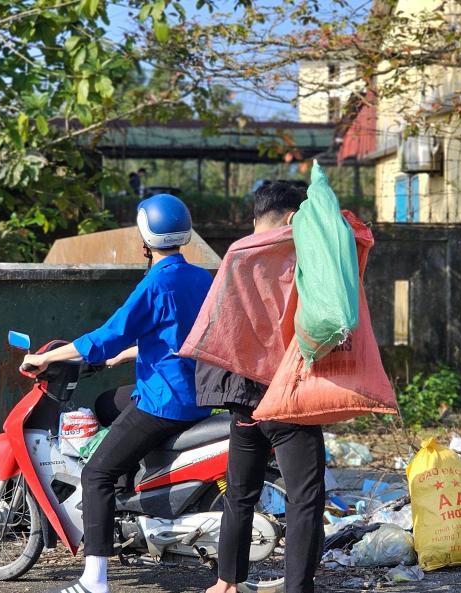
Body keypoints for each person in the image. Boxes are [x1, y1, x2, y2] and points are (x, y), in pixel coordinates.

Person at [23, 194, 213, 593]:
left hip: (166, 402)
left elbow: (105, 336)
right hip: (199, 393)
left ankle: (95, 580)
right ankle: (130, 495)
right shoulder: (202, 278)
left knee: (96, 472)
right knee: (106, 404)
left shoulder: (155, 283)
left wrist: (48, 358)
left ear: (145, 238)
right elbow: (177, 334)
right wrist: (131, 354)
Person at [197, 181, 326, 593]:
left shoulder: (236, 255)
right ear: (293, 219)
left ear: (256, 220)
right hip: (287, 395)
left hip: (242, 399)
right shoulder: (305, 257)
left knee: (239, 492)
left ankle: (226, 582)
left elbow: (221, 327)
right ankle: (297, 588)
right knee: (304, 497)